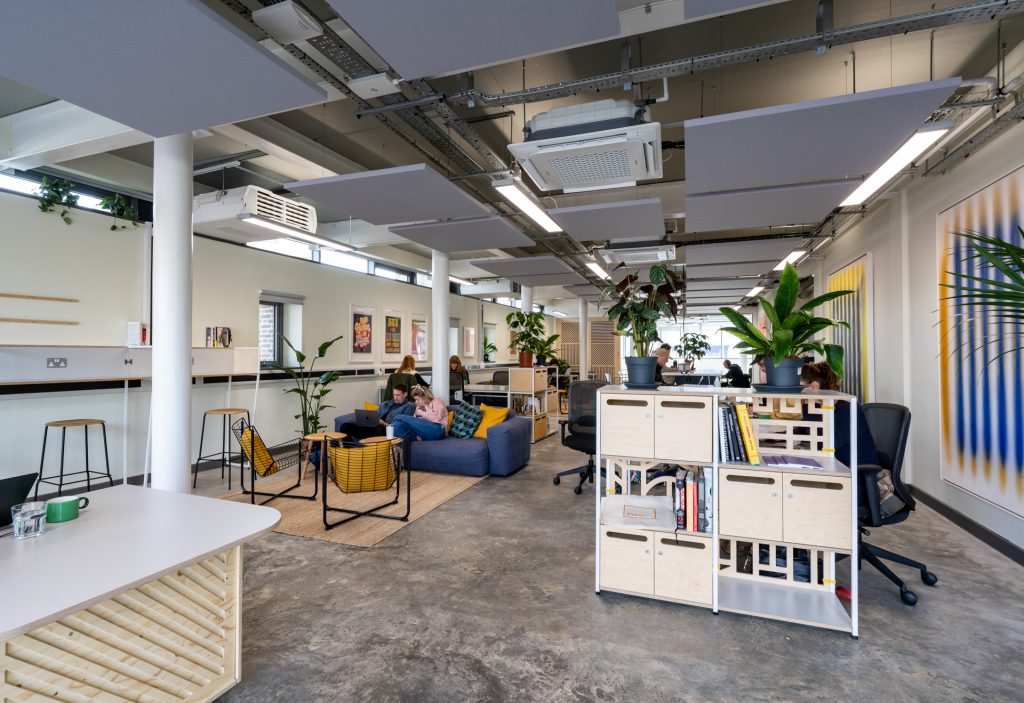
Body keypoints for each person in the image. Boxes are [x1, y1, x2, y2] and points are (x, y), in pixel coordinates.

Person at [800, 362, 904, 517]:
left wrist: (806, 409)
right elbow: (807, 431)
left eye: (798, 388)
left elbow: (827, 443)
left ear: (814, 386)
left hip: (856, 481)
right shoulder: (820, 408)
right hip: (838, 473)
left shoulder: (846, 410)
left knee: (800, 494)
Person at [338, 383, 414, 442]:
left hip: (386, 431)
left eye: (398, 395)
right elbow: (375, 415)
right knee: (345, 426)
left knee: (379, 427)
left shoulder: (409, 406)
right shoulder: (386, 404)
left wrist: (385, 424)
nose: (395, 397)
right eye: (394, 395)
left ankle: (373, 451)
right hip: (373, 428)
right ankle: (349, 450)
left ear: (405, 394)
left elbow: (402, 424)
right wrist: (367, 420)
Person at [392, 385, 448, 453]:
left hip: (437, 430)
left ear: (425, 398)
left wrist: (422, 413)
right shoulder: (419, 406)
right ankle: (401, 455)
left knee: (398, 417)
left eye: (418, 399)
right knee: (398, 425)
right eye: (415, 399)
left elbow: (437, 418)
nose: (416, 402)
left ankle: (398, 450)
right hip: (423, 434)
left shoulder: (436, 401)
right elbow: (416, 423)